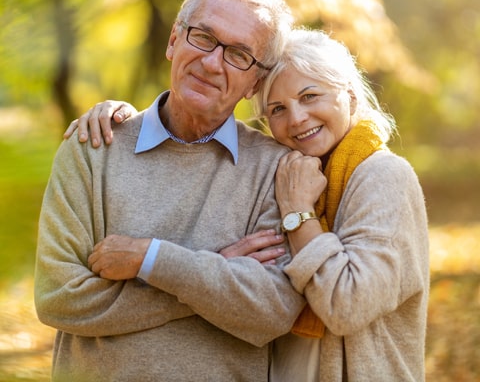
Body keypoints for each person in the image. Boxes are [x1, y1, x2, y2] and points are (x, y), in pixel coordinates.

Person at [71, 28, 430, 381]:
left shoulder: (382, 176)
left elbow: (346, 306)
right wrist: (126, 121)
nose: (296, 118)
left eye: (309, 97)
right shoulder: (288, 172)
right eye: (277, 109)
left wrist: (298, 213)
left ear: (350, 96)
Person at [34, 0, 307, 382]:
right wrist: (215, 271)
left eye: (238, 55)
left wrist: (151, 260)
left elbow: (272, 313)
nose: (212, 62)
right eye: (203, 38)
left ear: (256, 82)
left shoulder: (277, 169)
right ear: (173, 41)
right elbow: (59, 298)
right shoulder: (93, 146)